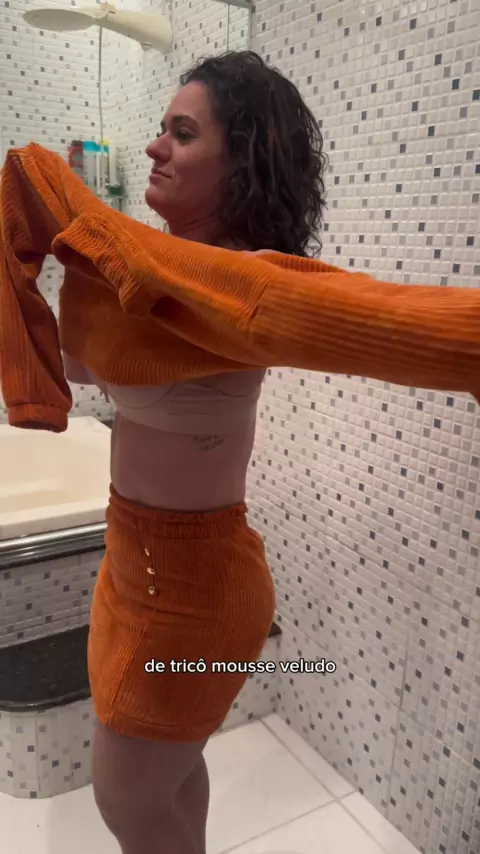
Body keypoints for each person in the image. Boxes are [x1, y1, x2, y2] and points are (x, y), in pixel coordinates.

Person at [63, 50, 328, 854]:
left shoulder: (245, 286)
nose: (153, 147)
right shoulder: (166, 268)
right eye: (162, 129)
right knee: (170, 778)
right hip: (134, 560)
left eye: (181, 133)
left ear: (242, 162)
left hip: (192, 588)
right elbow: (82, 367)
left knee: (126, 799)